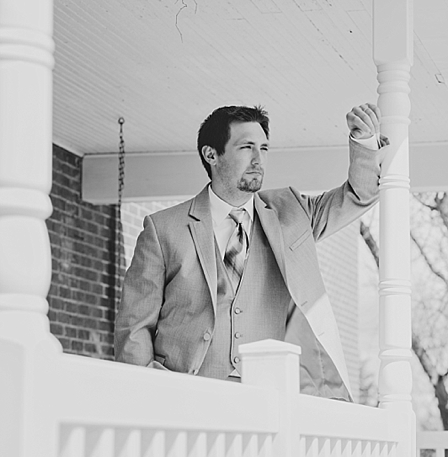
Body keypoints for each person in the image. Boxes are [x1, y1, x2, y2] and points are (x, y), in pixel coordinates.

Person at [115, 103, 386, 400]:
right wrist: (144, 395)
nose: (259, 159)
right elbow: (135, 327)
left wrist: (364, 141)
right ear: (211, 155)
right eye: (247, 147)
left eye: (264, 148)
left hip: (268, 397)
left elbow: (359, 196)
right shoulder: (163, 228)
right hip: (185, 396)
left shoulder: (292, 213)